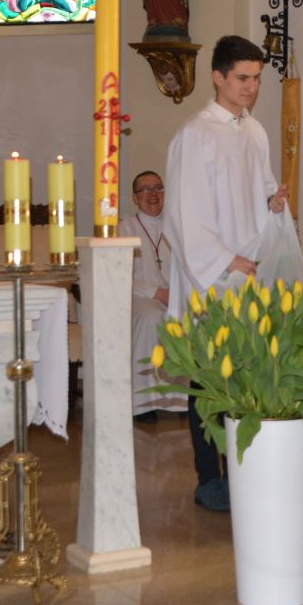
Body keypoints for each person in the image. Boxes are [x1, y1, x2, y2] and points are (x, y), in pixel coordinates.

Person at [163, 34, 292, 512]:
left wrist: (272, 203)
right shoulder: (195, 134)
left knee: (246, 373)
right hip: (213, 275)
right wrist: (224, 260)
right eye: (242, 78)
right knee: (208, 378)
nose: (251, 87)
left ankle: (243, 468)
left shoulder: (254, 132)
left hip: (248, 269)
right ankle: (209, 477)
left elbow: (259, 192)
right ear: (217, 77)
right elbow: (183, 213)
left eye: (256, 79)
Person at [118, 170, 186, 423]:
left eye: (158, 188)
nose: (153, 194)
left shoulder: (176, 226)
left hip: (175, 294)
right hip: (138, 294)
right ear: (135, 197)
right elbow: (120, 273)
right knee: (152, 318)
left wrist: (177, 293)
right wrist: (156, 292)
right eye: (145, 189)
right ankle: (143, 403)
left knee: (187, 317)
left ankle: (181, 399)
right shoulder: (126, 227)